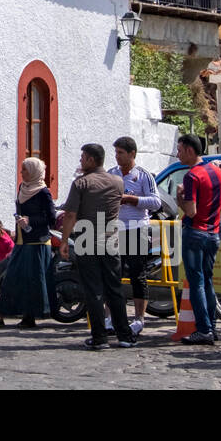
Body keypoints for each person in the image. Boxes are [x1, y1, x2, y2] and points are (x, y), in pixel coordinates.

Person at [61, 145, 138, 349]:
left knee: (93, 289)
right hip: (111, 237)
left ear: (91, 160)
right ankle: (124, 334)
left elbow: (70, 214)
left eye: (83, 158)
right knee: (115, 287)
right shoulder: (117, 181)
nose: (80, 161)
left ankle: (99, 337)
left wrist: (64, 240)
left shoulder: (82, 183)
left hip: (88, 237)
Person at [0, 158, 59, 328]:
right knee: (12, 277)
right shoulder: (23, 188)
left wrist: (30, 220)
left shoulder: (43, 192)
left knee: (32, 281)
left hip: (37, 243)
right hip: (22, 241)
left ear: (33, 171)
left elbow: (51, 219)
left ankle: (27, 317)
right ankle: (0, 316)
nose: (21, 172)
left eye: (25, 169)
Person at [174, 134, 221, 345]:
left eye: (179, 150)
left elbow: (192, 211)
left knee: (196, 283)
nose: (177, 154)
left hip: (195, 232)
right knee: (208, 281)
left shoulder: (192, 176)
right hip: (213, 233)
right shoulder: (218, 172)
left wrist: (179, 197)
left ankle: (203, 329)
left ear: (189, 151)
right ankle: (211, 326)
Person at [109, 136, 160, 336]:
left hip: (137, 228)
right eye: (116, 153)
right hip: (115, 229)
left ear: (132, 154)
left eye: (121, 153)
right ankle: (111, 317)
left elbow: (156, 202)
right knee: (113, 273)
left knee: (137, 274)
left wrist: (132, 199)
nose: (117, 157)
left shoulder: (144, 176)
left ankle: (139, 318)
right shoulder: (112, 174)